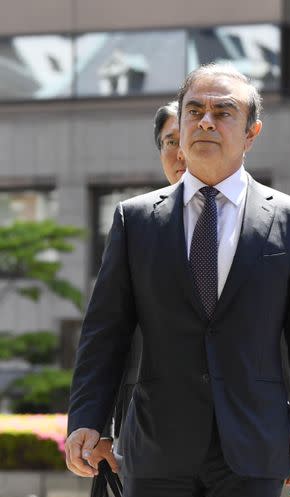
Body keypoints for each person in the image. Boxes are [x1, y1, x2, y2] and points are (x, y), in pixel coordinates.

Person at [66, 63, 290, 497]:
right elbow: (105, 330)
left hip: (253, 442)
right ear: (182, 125)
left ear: (251, 133)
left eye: (223, 112)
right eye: (195, 110)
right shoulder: (137, 220)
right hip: (157, 443)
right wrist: (88, 419)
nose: (206, 121)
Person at [87, 101, 186, 471]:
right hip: (145, 426)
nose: (179, 152)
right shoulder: (136, 222)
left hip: (236, 436)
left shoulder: (255, 218)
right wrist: (97, 426)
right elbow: (108, 332)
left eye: (186, 138)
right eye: (168, 141)